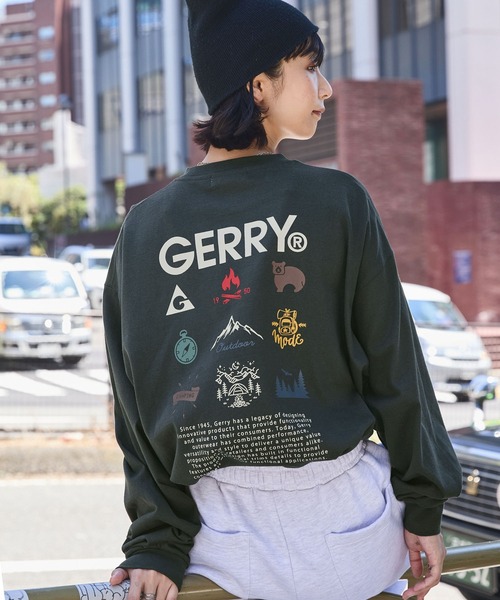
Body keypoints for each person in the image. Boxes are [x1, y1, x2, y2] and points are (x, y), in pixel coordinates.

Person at [103, 1, 462, 599]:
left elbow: (135, 401)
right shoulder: (338, 201)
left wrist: (156, 540)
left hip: (216, 542)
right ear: (259, 85)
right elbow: (394, 365)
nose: (327, 87)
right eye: (310, 68)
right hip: (349, 529)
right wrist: (423, 506)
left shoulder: (144, 228)